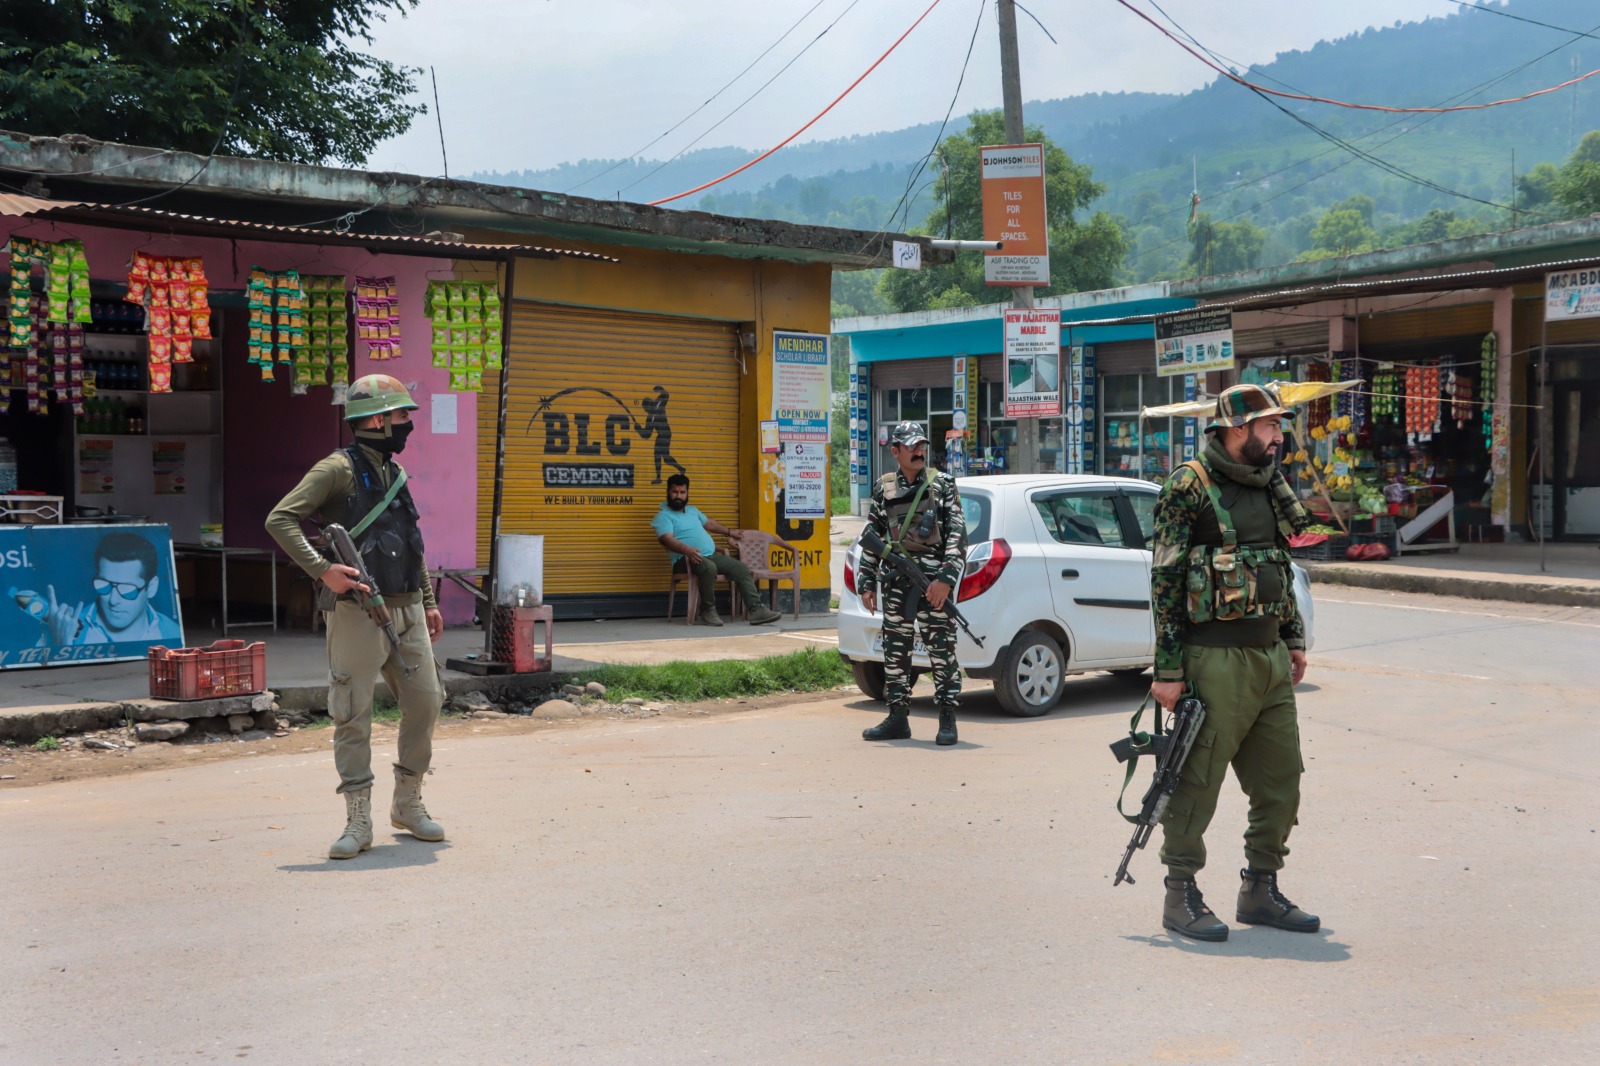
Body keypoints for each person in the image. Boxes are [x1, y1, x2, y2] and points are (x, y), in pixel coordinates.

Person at [1147, 384, 1319, 942]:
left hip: (1268, 657)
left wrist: (1292, 637)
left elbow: (1279, 565)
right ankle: (1180, 894)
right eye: (1271, 427)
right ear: (1238, 428)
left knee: (1282, 779)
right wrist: (1169, 670)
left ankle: (1260, 888)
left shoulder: (1269, 483)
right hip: (1212, 658)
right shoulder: (1187, 486)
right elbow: (1165, 580)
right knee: (1196, 782)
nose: (1279, 437)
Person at [266, 374, 445, 861]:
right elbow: (281, 519)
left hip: (407, 609)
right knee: (353, 715)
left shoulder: (395, 473)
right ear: (378, 419)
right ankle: (358, 818)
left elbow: (413, 542)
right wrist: (325, 571)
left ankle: (407, 804)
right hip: (357, 613)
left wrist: (428, 600)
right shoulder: (336, 469)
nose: (408, 425)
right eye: (403, 416)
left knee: (427, 702)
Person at [855, 421, 967, 746]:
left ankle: (947, 715)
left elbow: (957, 536)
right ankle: (897, 717)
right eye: (911, 446)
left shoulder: (942, 484)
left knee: (941, 650)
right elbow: (872, 536)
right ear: (895, 451)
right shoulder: (884, 487)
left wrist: (945, 580)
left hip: (933, 584)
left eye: (922, 445)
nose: (919, 451)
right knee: (895, 651)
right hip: (896, 583)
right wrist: (866, 582)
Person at [652, 474, 782, 627]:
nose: (678, 496)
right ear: (668, 492)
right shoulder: (663, 516)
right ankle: (707, 610)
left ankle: (757, 610)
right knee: (709, 567)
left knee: (741, 568)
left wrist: (729, 532)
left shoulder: (693, 511)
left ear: (687, 493)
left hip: (709, 556)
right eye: (675, 492)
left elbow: (710, 524)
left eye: (682, 492)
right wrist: (687, 550)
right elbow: (667, 539)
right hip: (684, 560)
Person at [39, 531, 182, 646]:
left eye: (127, 589)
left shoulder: (173, 633)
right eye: (104, 585)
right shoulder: (60, 630)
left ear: (151, 587)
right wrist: (61, 647)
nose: (113, 600)